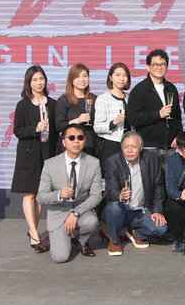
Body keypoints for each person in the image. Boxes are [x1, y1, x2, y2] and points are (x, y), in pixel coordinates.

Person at [36, 124, 103, 263]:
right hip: (58, 212)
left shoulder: (94, 163)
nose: (76, 141)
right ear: (64, 142)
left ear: (84, 141)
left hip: (81, 211)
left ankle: (80, 241)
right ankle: (59, 236)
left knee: (92, 222)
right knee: (60, 258)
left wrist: (76, 213)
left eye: (80, 138)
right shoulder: (50, 164)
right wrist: (59, 194)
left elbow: (96, 196)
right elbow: (40, 197)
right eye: (71, 138)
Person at [11, 65, 56, 253]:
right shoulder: (23, 104)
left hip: (47, 153)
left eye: (41, 79)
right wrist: (35, 129)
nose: (39, 83)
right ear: (28, 83)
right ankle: (35, 235)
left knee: (40, 196)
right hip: (28, 154)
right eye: (35, 80)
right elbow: (17, 131)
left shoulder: (52, 104)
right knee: (29, 194)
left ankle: (33, 231)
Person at [101, 131, 168, 256]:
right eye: (126, 147)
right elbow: (110, 190)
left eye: (134, 147)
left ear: (141, 148)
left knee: (161, 229)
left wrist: (157, 210)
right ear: (121, 148)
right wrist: (119, 195)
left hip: (140, 210)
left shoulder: (151, 159)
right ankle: (114, 239)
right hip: (121, 208)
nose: (129, 150)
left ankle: (135, 232)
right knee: (114, 207)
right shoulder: (112, 161)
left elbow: (158, 186)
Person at [126, 49, 182, 162]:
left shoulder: (171, 88)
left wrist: (178, 137)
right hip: (149, 147)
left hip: (171, 146)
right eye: (155, 64)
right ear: (148, 67)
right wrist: (158, 114)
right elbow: (133, 119)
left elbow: (177, 116)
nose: (159, 67)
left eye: (163, 64)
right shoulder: (139, 90)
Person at [54, 63, 97, 157]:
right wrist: (78, 120)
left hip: (90, 146)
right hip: (70, 146)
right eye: (78, 77)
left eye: (85, 76)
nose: (82, 80)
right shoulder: (64, 100)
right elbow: (59, 126)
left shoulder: (94, 98)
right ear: (71, 79)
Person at [93, 62, 131, 162]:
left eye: (125, 75)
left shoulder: (130, 98)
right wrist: (113, 123)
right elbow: (97, 127)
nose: (122, 78)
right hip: (111, 144)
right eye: (118, 75)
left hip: (129, 144)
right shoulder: (103, 99)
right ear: (110, 78)